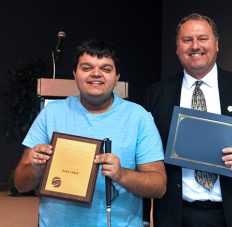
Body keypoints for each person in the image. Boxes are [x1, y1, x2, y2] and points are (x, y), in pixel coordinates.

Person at [143, 13, 232, 227]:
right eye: (187, 40)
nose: (195, 46)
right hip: (175, 215)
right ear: (177, 48)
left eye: (203, 38)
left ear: (216, 44)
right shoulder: (157, 94)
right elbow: (146, 155)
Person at [14, 39, 166, 227]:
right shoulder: (51, 114)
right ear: (74, 75)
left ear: (117, 77)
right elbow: (21, 184)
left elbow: (159, 186)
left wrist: (122, 175)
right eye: (86, 68)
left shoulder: (139, 117)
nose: (96, 74)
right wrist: (35, 168)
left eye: (106, 69)